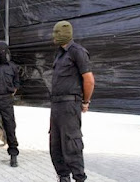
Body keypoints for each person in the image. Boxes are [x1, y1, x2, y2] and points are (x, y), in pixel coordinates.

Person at [49, 21, 95, 182]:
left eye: (57, 33)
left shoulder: (77, 52)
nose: (54, 36)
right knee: (56, 145)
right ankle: (63, 177)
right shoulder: (60, 53)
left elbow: (89, 80)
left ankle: (79, 178)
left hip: (69, 105)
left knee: (71, 144)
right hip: (56, 105)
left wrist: (85, 101)